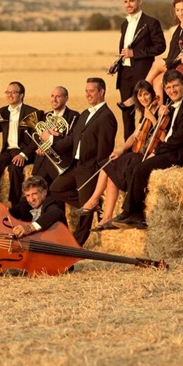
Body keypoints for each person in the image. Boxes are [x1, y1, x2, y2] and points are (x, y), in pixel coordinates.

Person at [109, 69, 183, 230]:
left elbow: (178, 139)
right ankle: (137, 215)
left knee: (140, 169)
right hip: (170, 148)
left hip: (180, 153)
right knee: (131, 169)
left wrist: (156, 151)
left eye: (175, 86)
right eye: (168, 88)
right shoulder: (173, 104)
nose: (172, 90)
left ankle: (129, 212)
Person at [46, 78, 117, 244]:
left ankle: (75, 245)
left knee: (84, 214)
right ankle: (94, 204)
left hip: (90, 168)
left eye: (91, 91)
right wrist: (51, 143)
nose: (88, 94)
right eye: (86, 91)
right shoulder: (85, 114)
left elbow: (104, 150)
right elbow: (72, 139)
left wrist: (98, 171)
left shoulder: (107, 117)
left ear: (101, 92)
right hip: (75, 165)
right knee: (56, 188)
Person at [86, 80, 159, 231]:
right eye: (140, 96)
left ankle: (94, 202)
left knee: (111, 169)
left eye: (146, 94)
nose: (144, 98)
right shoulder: (145, 112)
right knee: (110, 166)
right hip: (136, 151)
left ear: (152, 94)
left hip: (146, 154)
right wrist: (120, 150)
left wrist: (151, 116)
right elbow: (134, 135)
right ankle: (106, 216)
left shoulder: (159, 110)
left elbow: (162, 134)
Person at [114, 0, 166, 140]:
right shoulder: (124, 24)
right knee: (126, 115)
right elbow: (125, 51)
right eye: (125, 2)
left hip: (143, 73)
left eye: (131, 1)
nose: (128, 4)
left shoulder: (151, 22)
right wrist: (117, 64)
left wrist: (135, 53)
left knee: (145, 112)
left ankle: (146, 146)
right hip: (124, 74)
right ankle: (128, 151)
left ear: (139, 1)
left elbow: (160, 46)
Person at [0, 81, 40, 207]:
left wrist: (24, 155)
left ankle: (15, 204)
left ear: (22, 95)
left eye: (14, 92)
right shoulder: (3, 112)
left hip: (24, 150)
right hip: (8, 151)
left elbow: (37, 138)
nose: (10, 95)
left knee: (14, 169)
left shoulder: (32, 113)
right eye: (8, 92)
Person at [30, 86, 79, 185]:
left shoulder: (74, 116)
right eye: (52, 96)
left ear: (66, 98)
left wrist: (50, 138)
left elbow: (71, 140)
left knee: (56, 195)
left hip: (60, 161)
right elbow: (39, 136)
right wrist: (41, 147)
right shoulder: (46, 116)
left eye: (58, 96)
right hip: (42, 161)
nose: (54, 99)